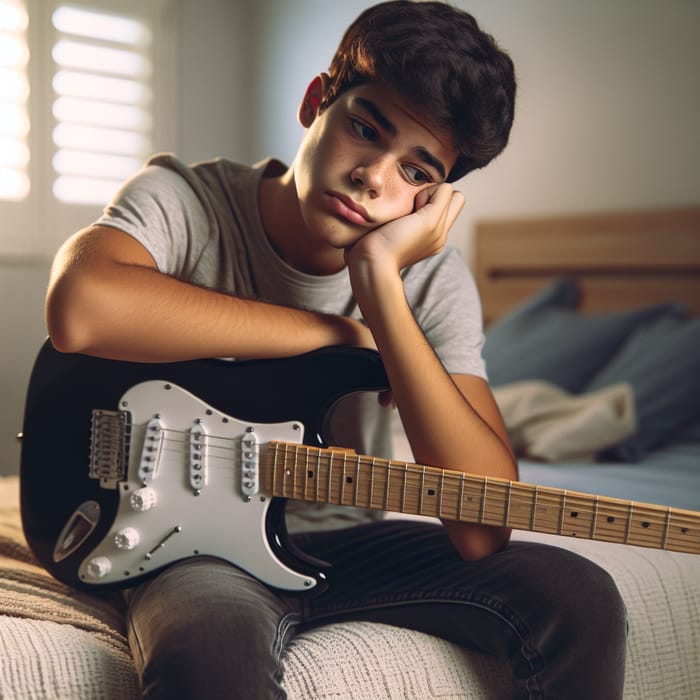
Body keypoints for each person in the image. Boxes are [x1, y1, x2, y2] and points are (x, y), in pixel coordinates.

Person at [45, 1, 627, 697]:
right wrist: (339, 336)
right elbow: (80, 310)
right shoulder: (187, 199)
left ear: (435, 203)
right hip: (192, 543)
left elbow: (481, 530)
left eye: (417, 173)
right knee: (212, 655)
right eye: (363, 129)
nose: (374, 177)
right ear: (315, 101)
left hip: (348, 541)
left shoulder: (432, 279)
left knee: (581, 595)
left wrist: (381, 285)